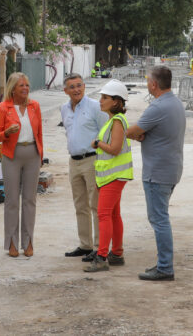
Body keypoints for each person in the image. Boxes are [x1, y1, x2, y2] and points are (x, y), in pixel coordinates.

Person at [125, 65, 185, 281]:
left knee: (159, 220)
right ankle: (163, 264)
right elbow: (151, 132)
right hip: (170, 168)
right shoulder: (175, 103)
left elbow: (131, 131)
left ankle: (165, 267)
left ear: (154, 84)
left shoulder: (157, 107)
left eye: (148, 80)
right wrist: (144, 135)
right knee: (161, 218)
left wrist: (138, 135)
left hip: (157, 172)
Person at [0, 72, 44, 257]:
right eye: (21, 85)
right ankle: (12, 243)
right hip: (11, 155)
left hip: (32, 154)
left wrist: (41, 155)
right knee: (12, 200)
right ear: (13, 88)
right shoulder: (2, 108)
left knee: (30, 200)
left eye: (27, 85)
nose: (25, 88)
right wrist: (6, 132)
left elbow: (39, 134)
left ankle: (28, 242)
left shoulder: (34, 106)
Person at [84, 79, 133, 273]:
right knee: (113, 214)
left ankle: (102, 256)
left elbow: (114, 149)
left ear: (115, 101)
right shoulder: (113, 121)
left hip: (114, 176)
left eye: (104, 97)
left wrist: (97, 144)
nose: (101, 101)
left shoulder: (117, 122)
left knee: (104, 215)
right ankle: (117, 253)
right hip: (111, 176)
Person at [60, 74, 109, 261]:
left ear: (85, 86)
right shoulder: (64, 109)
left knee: (96, 205)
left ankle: (98, 248)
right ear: (66, 91)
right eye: (71, 87)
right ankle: (85, 244)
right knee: (80, 205)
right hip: (74, 162)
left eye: (79, 85)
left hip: (92, 160)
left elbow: (105, 133)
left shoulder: (95, 107)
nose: (76, 90)